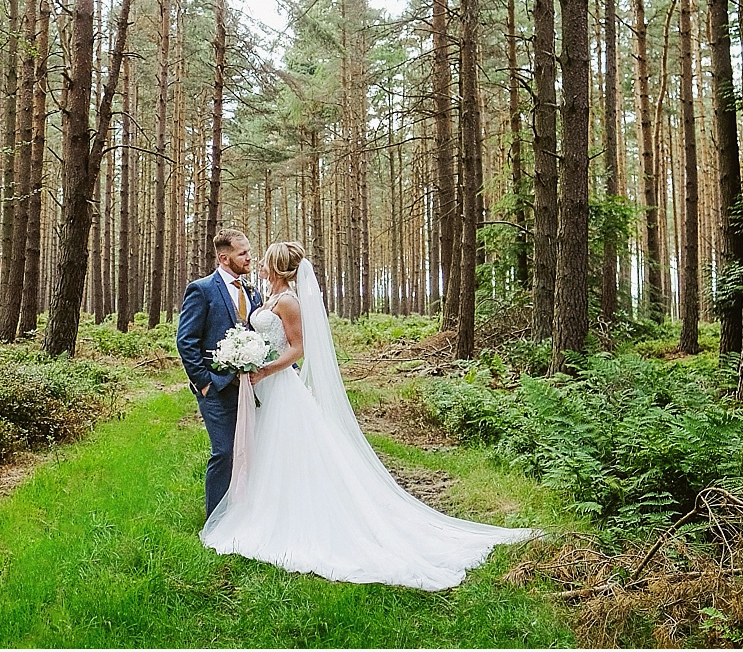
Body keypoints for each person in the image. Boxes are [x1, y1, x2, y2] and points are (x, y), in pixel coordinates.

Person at [199, 241, 540, 591]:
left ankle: (296, 519)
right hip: (263, 389)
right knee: (268, 454)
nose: (259, 264)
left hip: (280, 385)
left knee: (289, 453)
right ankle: (264, 510)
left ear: (279, 267)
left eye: (266, 261)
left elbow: (299, 347)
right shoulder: (266, 298)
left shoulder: (288, 302)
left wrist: (266, 370)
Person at [176, 228, 263, 518]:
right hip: (217, 386)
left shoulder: (252, 290)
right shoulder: (202, 289)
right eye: (243, 253)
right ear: (224, 258)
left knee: (251, 451)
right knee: (224, 452)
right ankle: (216, 519)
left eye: (249, 251)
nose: (249, 257)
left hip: (250, 386)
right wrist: (204, 383)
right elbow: (186, 340)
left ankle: (245, 511)